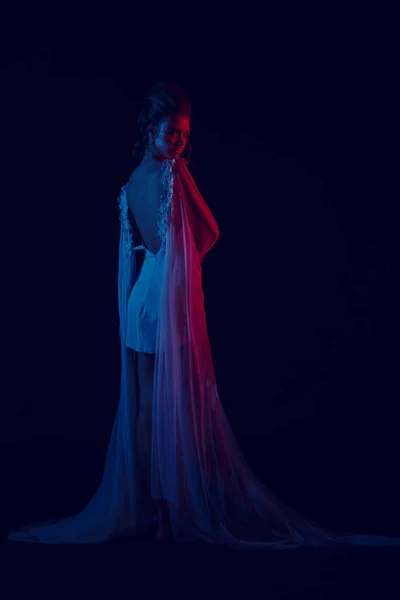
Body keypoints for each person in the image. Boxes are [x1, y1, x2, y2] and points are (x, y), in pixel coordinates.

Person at [8, 82, 400, 549]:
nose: (178, 142)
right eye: (171, 132)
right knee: (164, 403)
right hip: (165, 297)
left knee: (145, 403)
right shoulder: (174, 173)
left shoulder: (132, 179)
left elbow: (143, 245)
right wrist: (187, 257)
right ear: (151, 128)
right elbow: (211, 230)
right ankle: (169, 514)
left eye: (183, 135)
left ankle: (150, 510)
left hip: (140, 297)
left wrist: (172, 254)